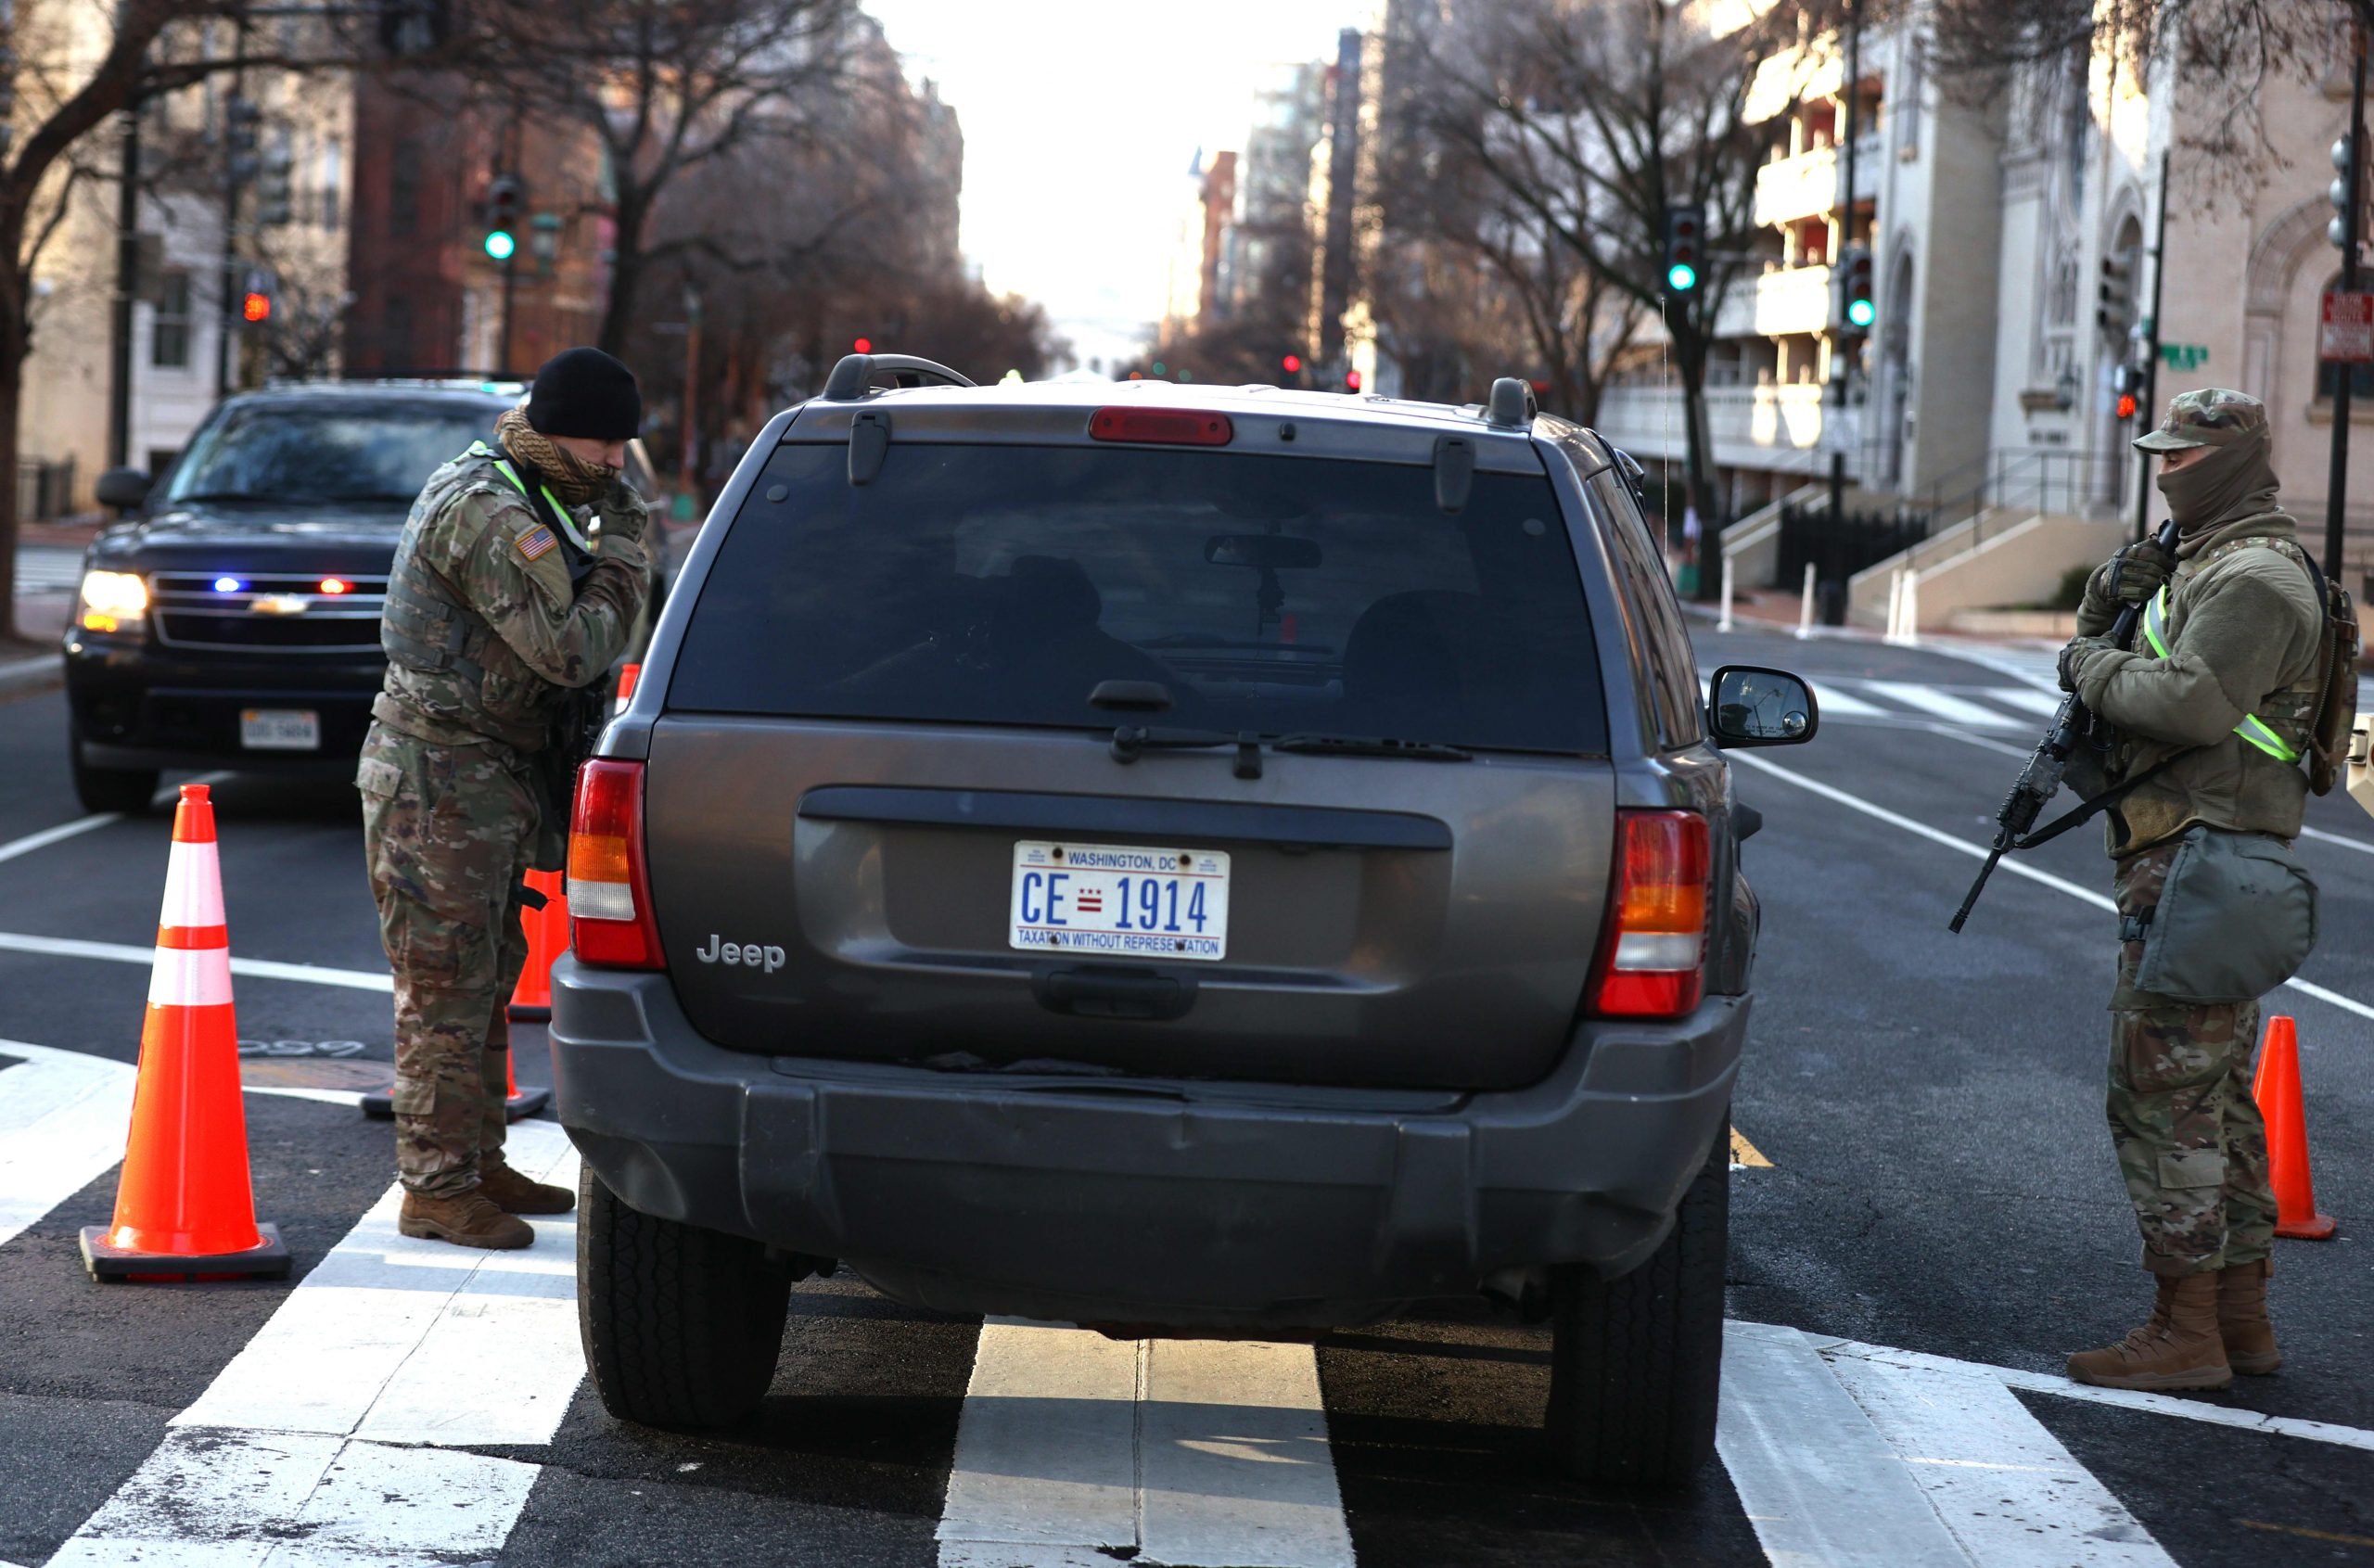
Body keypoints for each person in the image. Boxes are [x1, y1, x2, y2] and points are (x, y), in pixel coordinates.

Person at [2055, 388, 2325, 1390]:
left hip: (2204, 861)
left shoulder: (2254, 577)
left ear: (2234, 461)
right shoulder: (2205, 560)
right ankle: (2239, 1318)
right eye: (2158, 453)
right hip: (2201, 859)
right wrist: (2106, 600)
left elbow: (2192, 702)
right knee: (2211, 1098)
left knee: (2158, 1096)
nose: (2166, 471)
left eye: (2184, 456)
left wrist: (2086, 662)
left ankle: (2185, 1328)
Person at [358, 348, 654, 1249]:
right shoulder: (488, 509)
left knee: (485, 975)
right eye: (604, 443)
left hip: (484, 774)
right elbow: (569, 649)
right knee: (444, 984)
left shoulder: (549, 489)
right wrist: (625, 564)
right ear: (557, 427)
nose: (615, 461)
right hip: (437, 775)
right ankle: (435, 1186)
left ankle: (477, 1158)